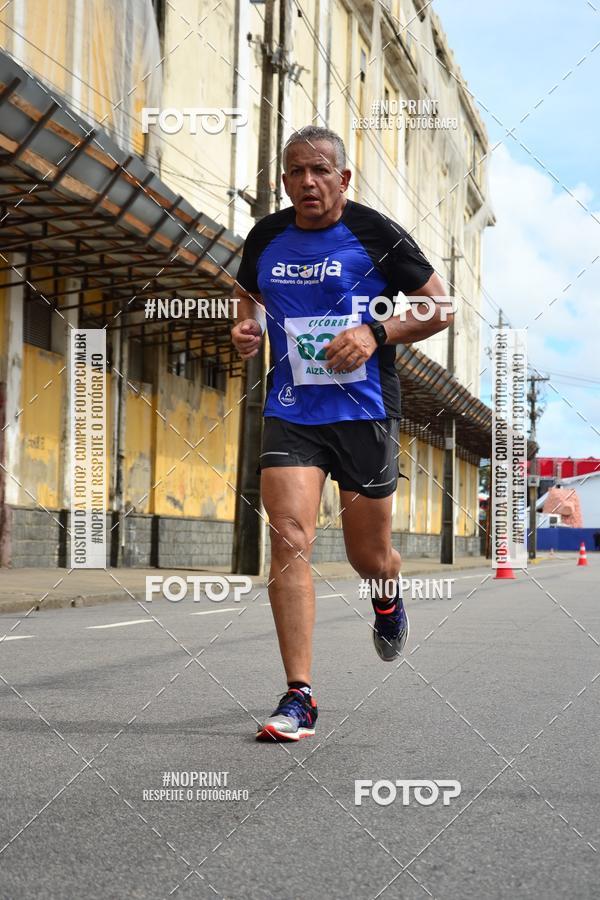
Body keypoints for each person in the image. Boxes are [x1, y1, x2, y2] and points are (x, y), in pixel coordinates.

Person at [231, 125, 451, 741]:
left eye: (320, 170)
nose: (308, 181)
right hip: (292, 408)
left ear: (343, 178)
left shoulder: (375, 233)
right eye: (296, 171)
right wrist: (247, 327)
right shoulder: (266, 235)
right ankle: (299, 695)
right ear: (284, 181)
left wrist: (376, 333)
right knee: (288, 539)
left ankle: (386, 597)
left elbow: (440, 306)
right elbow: (246, 292)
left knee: (367, 556)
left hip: (365, 412)